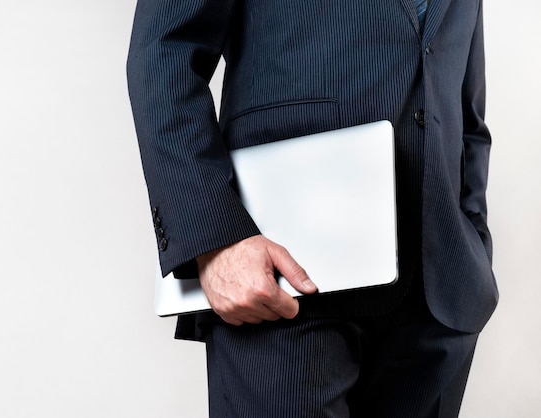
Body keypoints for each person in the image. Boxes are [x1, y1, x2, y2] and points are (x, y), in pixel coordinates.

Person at [127, 0, 498, 416]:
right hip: (282, 276)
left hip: (439, 297)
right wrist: (214, 239)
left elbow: (467, 111)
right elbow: (163, 50)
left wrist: (475, 241)